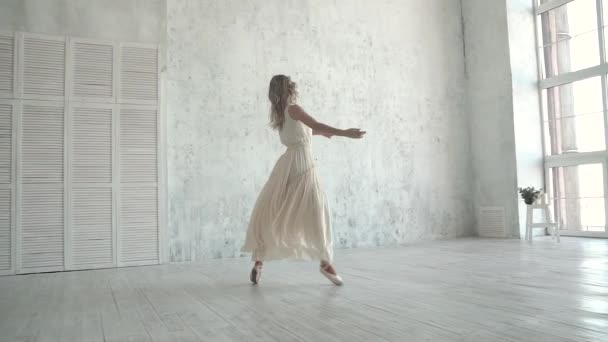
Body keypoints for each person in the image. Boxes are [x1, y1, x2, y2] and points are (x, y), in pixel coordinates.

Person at [241, 75, 366, 286]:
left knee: (274, 211)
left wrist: (319, 134)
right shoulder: (294, 109)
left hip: (286, 166)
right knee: (318, 211)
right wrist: (345, 133)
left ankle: (258, 262)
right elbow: (314, 123)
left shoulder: (280, 115)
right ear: (288, 90)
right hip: (303, 166)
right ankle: (326, 262)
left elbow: (303, 131)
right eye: (291, 87)